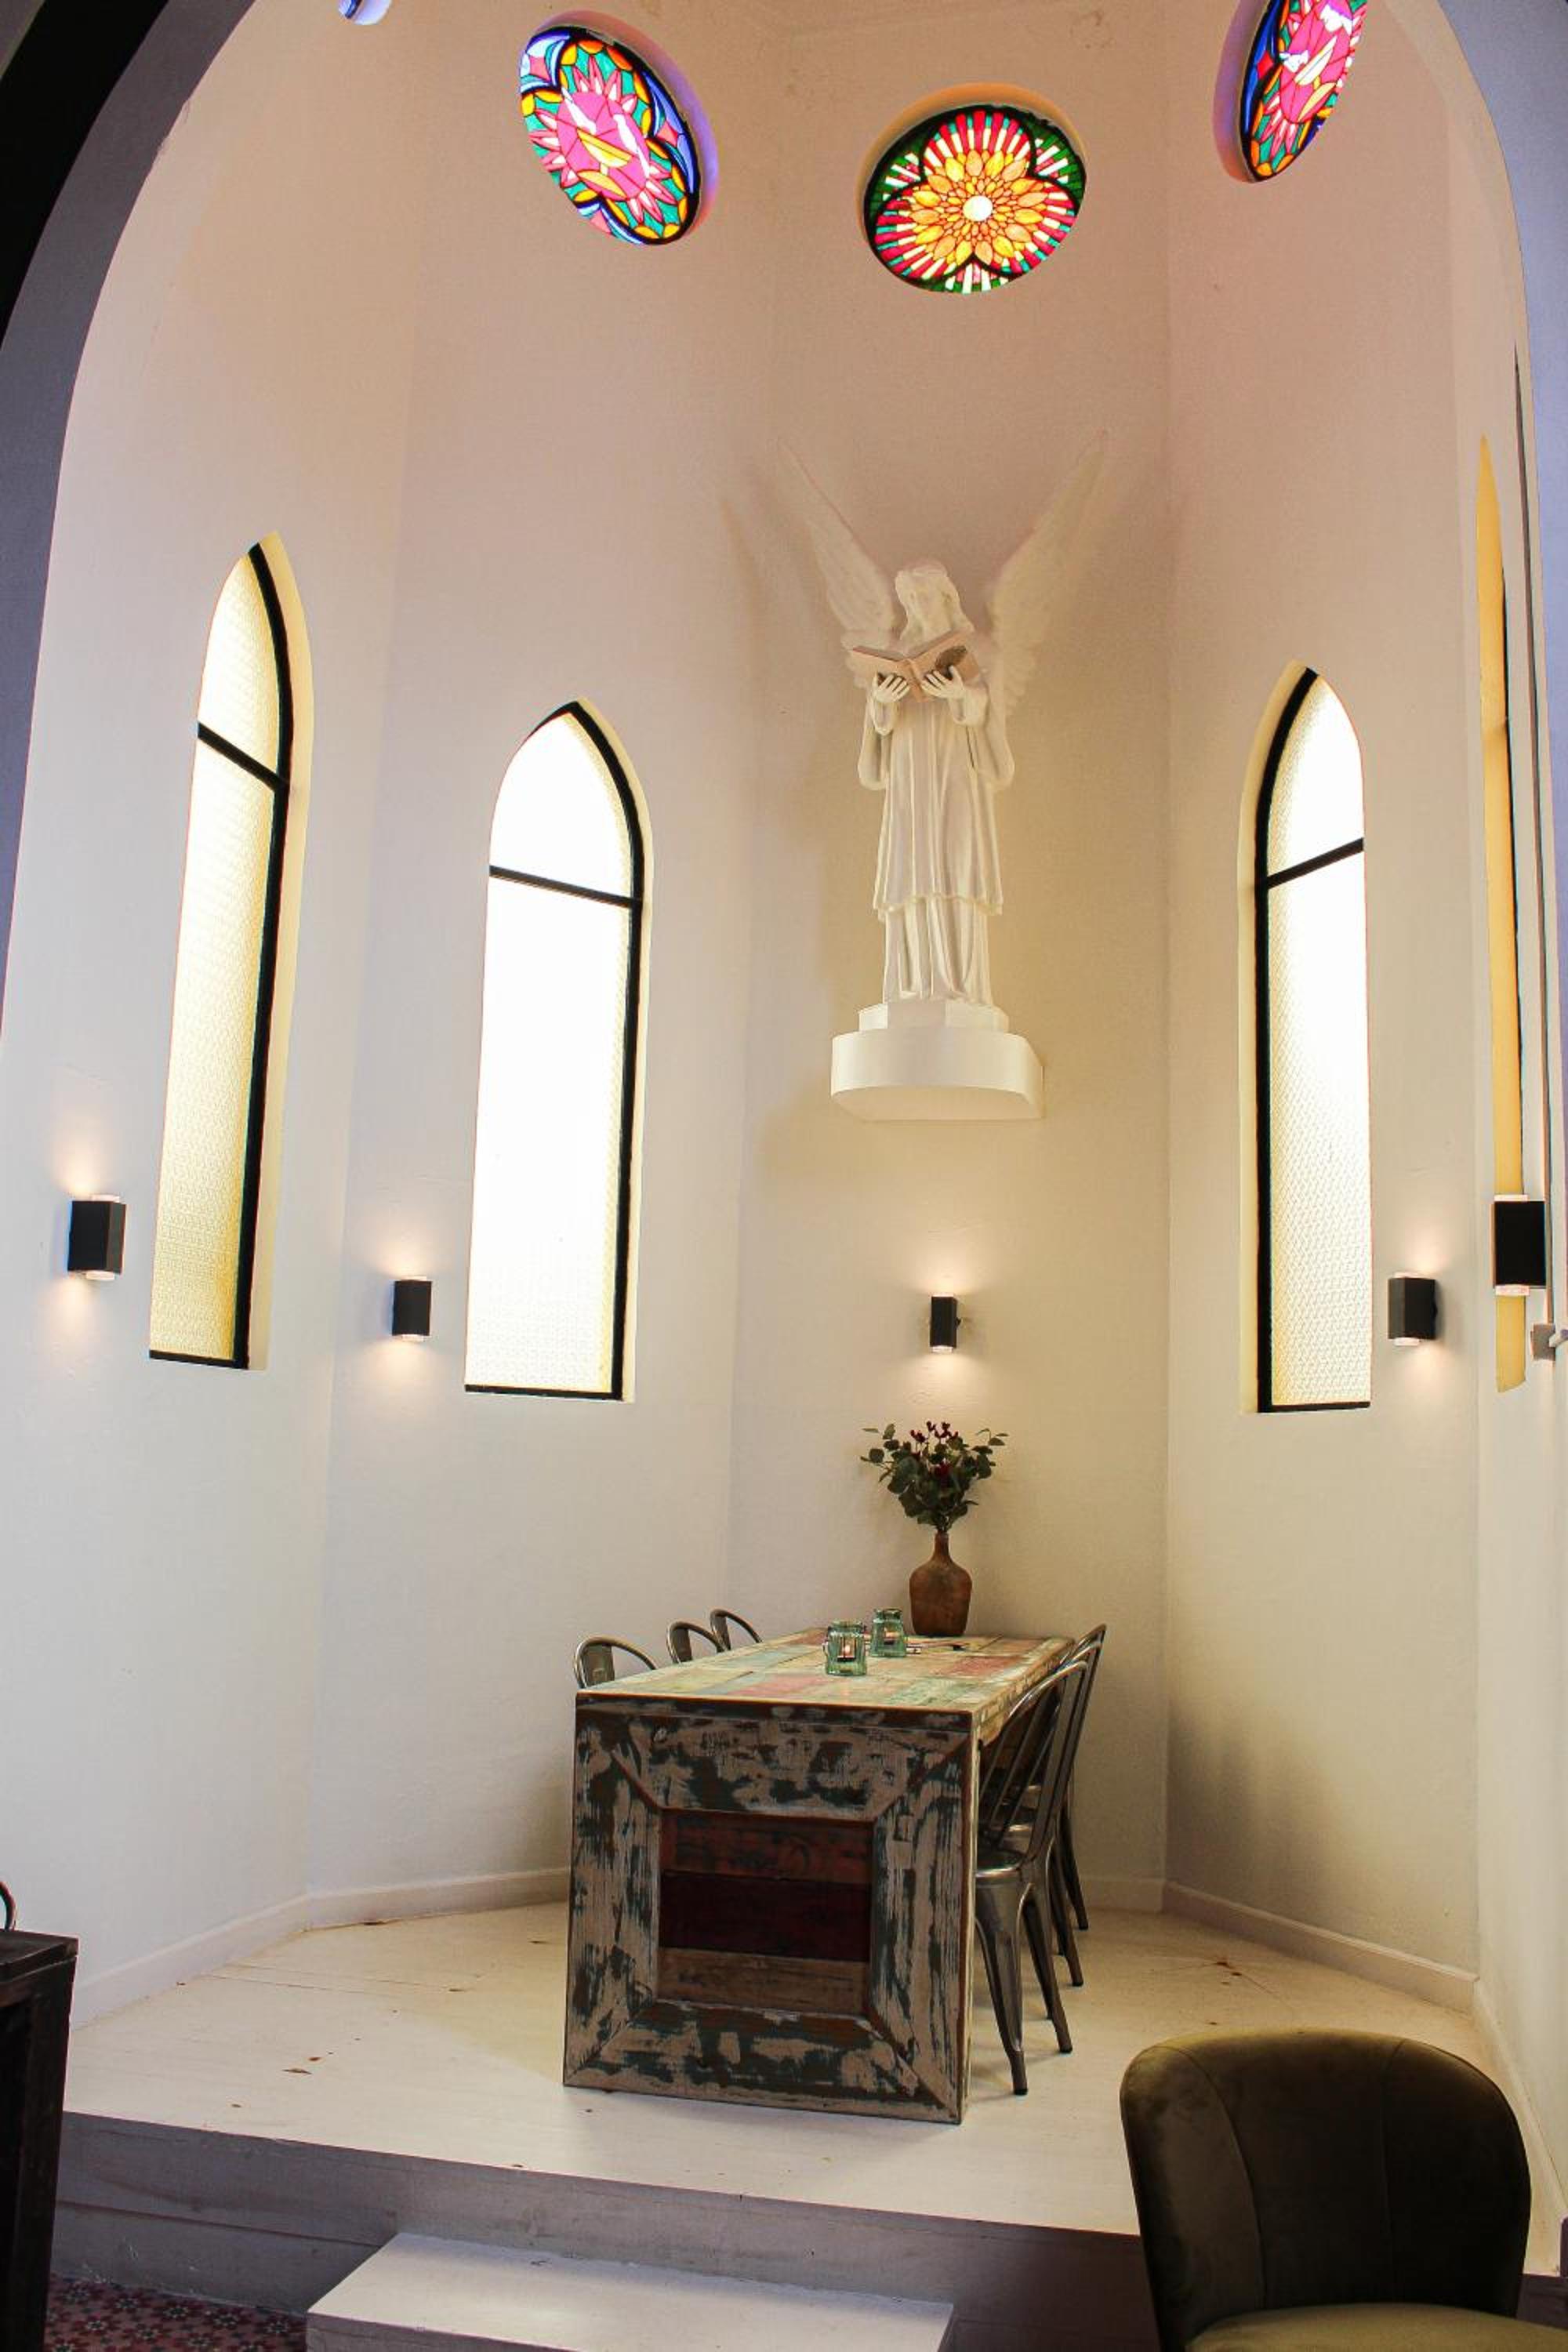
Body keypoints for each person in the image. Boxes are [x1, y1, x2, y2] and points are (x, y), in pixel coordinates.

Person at [858, 561, 1015, 1007]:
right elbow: (878, 736)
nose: (917, 606)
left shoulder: (979, 651)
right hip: (910, 779)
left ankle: (960, 986)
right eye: (910, 599)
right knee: (912, 870)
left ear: (946, 597)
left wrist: (961, 696)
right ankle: (911, 985)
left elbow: (990, 711)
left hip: (955, 773)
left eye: (924, 597)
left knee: (955, 864)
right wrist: (880, 704)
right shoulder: (897, 655)